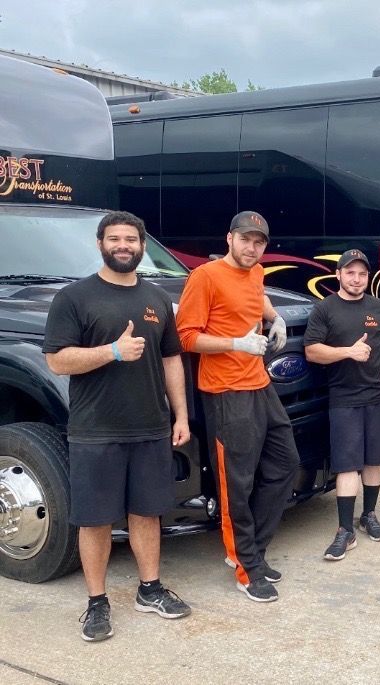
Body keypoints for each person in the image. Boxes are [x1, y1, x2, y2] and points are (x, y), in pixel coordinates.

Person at [43, 210, 191, 643]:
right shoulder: (75, 298)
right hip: (96, 430)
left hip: (150, 427)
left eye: (131, 239)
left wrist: (179, 414)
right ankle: (96, 602)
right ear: (100, 244)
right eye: (114, 238)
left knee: (147, 513)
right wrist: (111, 351)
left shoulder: (158, 298)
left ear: (143, 246)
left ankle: (150, 589)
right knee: (95, 521)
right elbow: (57, 359)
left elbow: (170, 359)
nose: (123, 245)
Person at [176, 211, 297, 602]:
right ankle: (247, 567)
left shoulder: (256, 273)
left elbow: (256, 295)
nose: (252, 248)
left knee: (285, 464)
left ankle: (250, 551)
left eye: (259, 242)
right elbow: (187, 338)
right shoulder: (205, 277)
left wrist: (275, 318)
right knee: (237, 484)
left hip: (260, 384)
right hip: (225, 390)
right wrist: (235, 344)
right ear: (229, 238)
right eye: (245, 239)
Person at [304, 249, 380, 561]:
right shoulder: (324, 309)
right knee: (346, 464)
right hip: (345, 399)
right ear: (338, 274)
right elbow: (312, 351)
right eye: (350, 272)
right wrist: (347, 352)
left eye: (362, 274)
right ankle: (345, 530)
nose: (356, 279)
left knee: (373, 460)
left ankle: (368, 516)